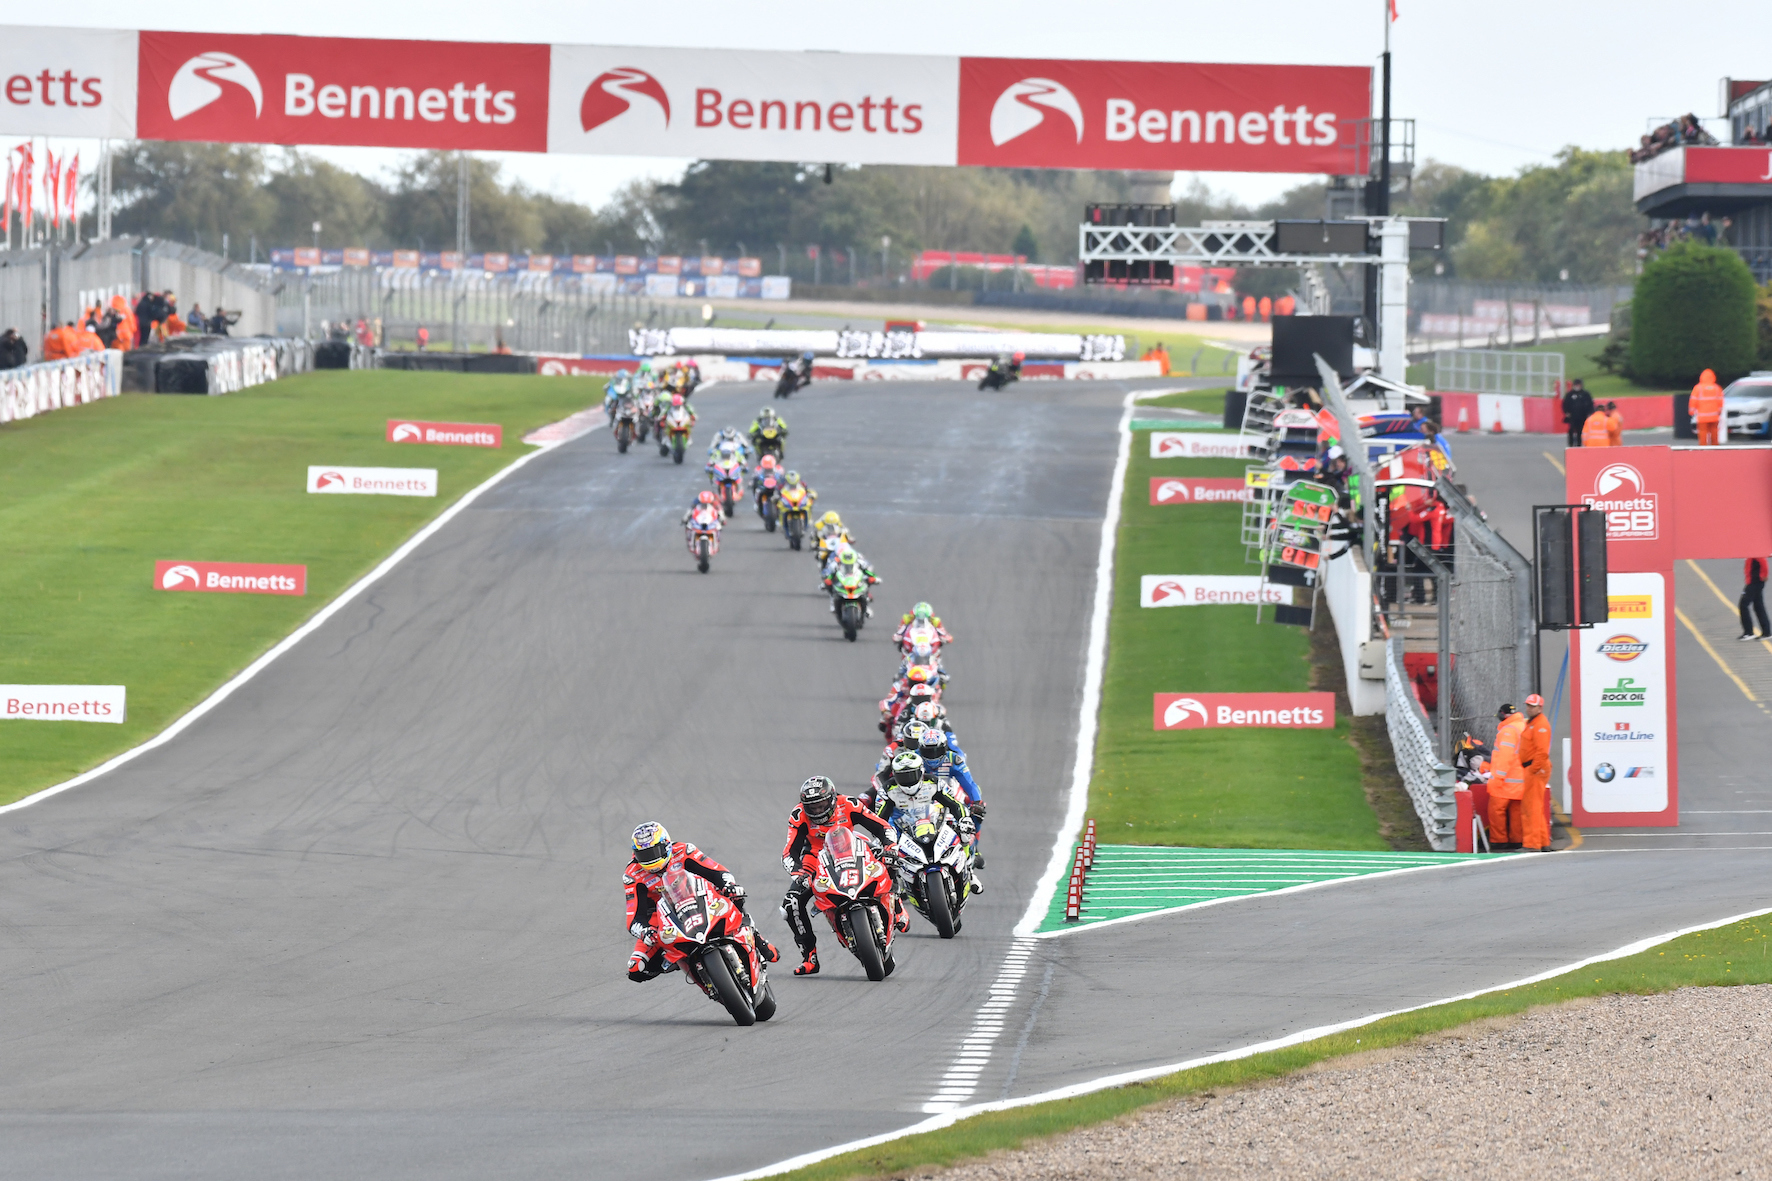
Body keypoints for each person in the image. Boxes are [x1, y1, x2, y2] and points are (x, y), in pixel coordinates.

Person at [623, 821, 777, 982]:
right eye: (644, 855)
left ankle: (757, 938)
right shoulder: (632, 874)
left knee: (734, 896)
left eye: (654, 851)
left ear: (665, 844)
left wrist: (729, 885)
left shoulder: (684, 851)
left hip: (698, 898)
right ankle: (680, 960)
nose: (650, 859)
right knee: (636, 969)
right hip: (662, 918)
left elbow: (717, 872)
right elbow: (633, 915)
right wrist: (644, 931)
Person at [779, 776, 900, 975]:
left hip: (852, 846)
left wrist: (890, 847)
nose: (817, 811)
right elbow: (789, 851)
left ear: (833, 798)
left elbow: (882, 827)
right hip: (816, 857)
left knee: (888, 859)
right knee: (790, 904)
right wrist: (797, 873)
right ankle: (810, 956)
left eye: (821, 805)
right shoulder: (798, 815)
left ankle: (898, 906)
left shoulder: (849, 804)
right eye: (813, 807)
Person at [1485, 704, 1527, 849]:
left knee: (1496, 810)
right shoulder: (1524, 726)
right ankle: (1517, 840)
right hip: (1521, 780)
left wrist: (1497, 778)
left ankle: (1499, 841)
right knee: (1517, 812)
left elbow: (1504, 757)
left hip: (1506, 781)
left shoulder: (1508, 731)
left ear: (1503, 715)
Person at [1517, 694, 1553, 853]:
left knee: (1530, 807)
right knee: (1534, 807)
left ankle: (1532, 844)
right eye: (1528, 705)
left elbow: (1542, 751)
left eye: (1532, 706)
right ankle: (1542, 841)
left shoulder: (1540, 725)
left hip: (1535, 769)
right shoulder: (1534, 723)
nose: (1529, 708)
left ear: (1540, 707)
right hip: (1533, 768)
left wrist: (1533, 769)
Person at [1690, 369, 1724, 446]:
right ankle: (1715, 448)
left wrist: (1691, 411)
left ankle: (1703, 448)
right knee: (1714, 432)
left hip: (1702, 417)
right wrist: (1719, 411)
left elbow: (1693, 400)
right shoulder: (1717, 388)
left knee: (1703, 433)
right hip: (1714, 416)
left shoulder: (1698, 388)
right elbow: (1721, 401)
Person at [1742, 557, 1770, 641]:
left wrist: (1764, 575)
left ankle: (1749, 632)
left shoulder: (1755, 552)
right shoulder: (1750, 552)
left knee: (1743, 605)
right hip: (1754, 581)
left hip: (1755, 582)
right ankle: (1766, 632)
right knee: (1758, 606)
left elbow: (1764, 562)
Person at [1561, 380, 1595, 448]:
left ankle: (1579, 444)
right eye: (1576, 385)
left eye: (1579, 384)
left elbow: (1590, 404)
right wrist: (1566, 412)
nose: (1577, 386)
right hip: (1572, 416)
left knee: (1580, 431)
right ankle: (1571, 444)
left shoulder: (1585, 394)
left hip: (1583, 416)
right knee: (1571, 430)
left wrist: (1589, 413)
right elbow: (1564, 404)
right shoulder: (1570, 394)